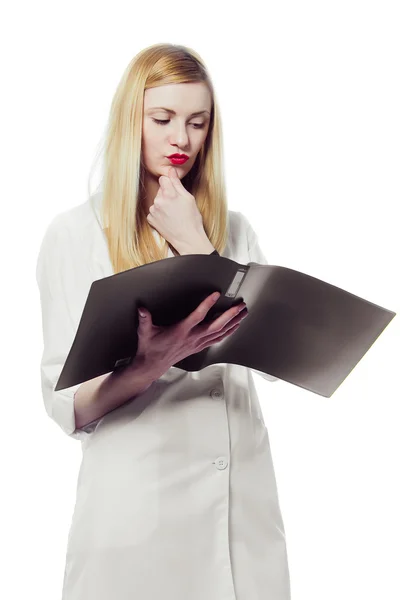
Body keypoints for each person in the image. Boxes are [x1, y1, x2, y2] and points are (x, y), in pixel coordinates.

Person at [36, 43, 291, 600]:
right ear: (133, 121)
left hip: (237, 514)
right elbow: (67, 406)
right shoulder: (77, 233)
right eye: (164, 119)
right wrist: (149, 364)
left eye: (197, 123)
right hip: (136, 512)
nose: (182, 139)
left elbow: (275, 357)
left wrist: (196, 243)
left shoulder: (234, 228)